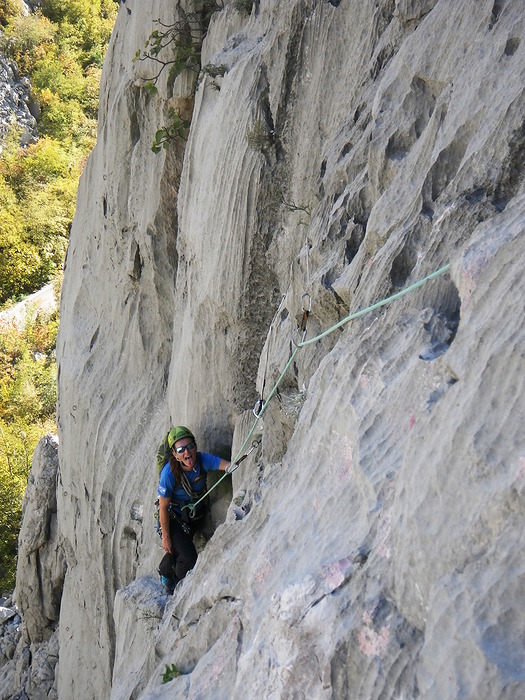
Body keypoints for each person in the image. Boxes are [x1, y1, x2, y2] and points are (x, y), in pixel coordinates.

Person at [157, 425, 230, 594]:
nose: (187, 452)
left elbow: (225, 464)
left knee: (181, 548)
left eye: (190, 446)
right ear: (174, 454)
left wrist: (235, 463)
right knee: (188, 556)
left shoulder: (202, 460)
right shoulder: (169, 474)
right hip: (174, 519)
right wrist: (166, 537)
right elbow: (163, 507)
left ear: (195, 446)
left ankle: (165, 571)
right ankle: (175, 586)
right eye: (180, 450)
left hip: (193, 516)